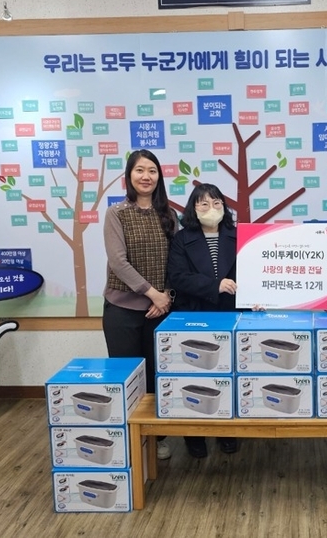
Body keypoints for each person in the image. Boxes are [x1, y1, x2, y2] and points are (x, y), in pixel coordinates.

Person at [103, 149, 177, 461]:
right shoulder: (116, 213)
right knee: (127, 377)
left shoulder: (169, 214)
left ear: (159, 177)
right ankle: (129, 442)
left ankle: (156, 438)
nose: (146, 176)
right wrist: (152, 294)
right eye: (140, 170)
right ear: (129, 176)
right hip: (122, 309)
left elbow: (177, 260)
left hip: (161, 310)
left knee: (156, 376)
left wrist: (166, 296)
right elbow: (118, 262)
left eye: (152, 171)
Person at [167, 183, 240, 458]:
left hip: (229, 314)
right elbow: (178, 277)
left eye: (217, 203)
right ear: (193, 209)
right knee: (194, 377)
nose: (212, 208)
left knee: (227, 377)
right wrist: (214, 286)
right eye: (204, 204)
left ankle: (227, 431)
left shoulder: (238, 235)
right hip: (194, 314)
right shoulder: (181, 239)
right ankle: (194, 434)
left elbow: (253, 272)